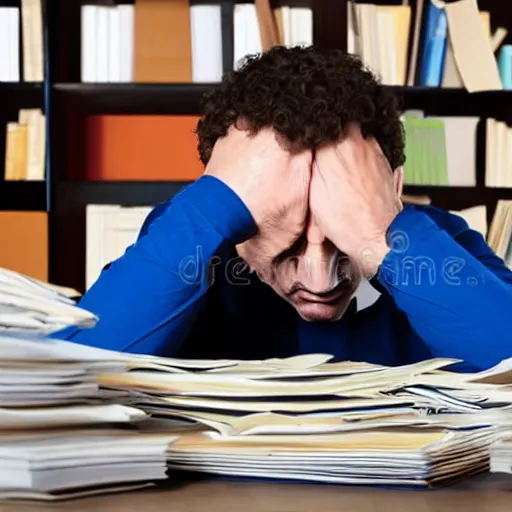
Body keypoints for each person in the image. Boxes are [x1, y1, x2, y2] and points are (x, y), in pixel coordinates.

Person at [53, 46, 512, 372]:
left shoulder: (438, 242)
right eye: (289, 240)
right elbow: (65, 379)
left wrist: (378, 239)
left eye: (341, 237)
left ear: (390, 189)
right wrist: (214, 206)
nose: (319, 280)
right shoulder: (196, 233)